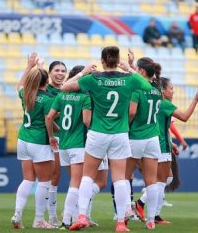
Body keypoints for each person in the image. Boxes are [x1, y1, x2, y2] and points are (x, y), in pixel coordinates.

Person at [62, 46, 152, 232]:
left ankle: (81, 217)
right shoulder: (128, 79)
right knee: (119, 179)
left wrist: (83, 73)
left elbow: (65, 87)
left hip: (97, 133)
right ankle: (120, 223)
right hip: (120, 134)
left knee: (87, 176)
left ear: (102, 61)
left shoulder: (93, 79)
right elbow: (148, 86)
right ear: (117, 61)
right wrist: (129, 68)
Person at [46, 65, 108, 229]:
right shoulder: (85, 97)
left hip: (64, 144)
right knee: (78, 183)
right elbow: (87, 121)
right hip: (80, 144)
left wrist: (52, 135)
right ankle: (67, 220)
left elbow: (50, 117)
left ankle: (77, 216)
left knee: (79, 182)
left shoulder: (62, 96)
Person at [11, 53, 55, 229]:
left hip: (23, 139)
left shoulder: (26, 93)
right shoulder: (47, 99)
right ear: (46, 82)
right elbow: (48, 120)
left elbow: (20, 85)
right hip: (39, 141)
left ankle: (17, 213)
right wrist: (52, 137)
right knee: (45, 181)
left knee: (27, 179)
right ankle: (38, 219)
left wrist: (30, 66)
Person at [151, 77, 198, 224]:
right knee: (161, 180)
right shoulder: (164, 104)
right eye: (171, 88)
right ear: (162, 90)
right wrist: (196, 99)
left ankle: (153, 212)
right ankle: (145, 206)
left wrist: (171, 142)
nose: (173, 91)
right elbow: (184, 117)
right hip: (161, 145)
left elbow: (162, 126)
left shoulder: (154, 102)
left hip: (154, 142)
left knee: (166, 178)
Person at [125, 57, 163, 229]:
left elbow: (132, 112)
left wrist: (125, 126)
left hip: (135, 137)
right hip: (153, 138)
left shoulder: (136, 89)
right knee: (151, 182)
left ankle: (124, 214)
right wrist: (132, 66)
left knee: (124, 178)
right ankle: (150, 221)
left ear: (141, 71)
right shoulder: (157, 90)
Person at [46, 60, 67, 228]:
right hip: (55, 138)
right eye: (57, 70)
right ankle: (52, 216)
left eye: (63, 70)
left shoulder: (66, 89)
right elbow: (47, 115)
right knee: (55, 176)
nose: (60, 73)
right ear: (50, 72)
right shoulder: (47, 91)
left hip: (69, 138)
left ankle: (70, 212)